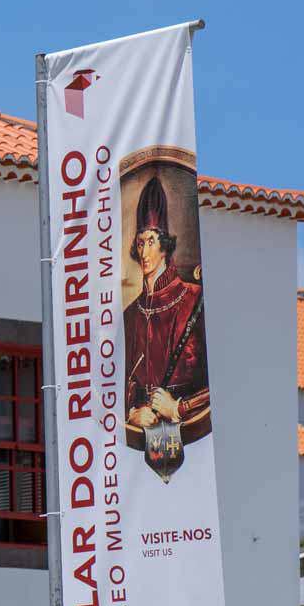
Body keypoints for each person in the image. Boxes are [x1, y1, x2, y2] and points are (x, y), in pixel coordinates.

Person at [124, 174, 207, 432]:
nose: (145, 252)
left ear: (164, 247)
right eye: (140, 243)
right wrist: (132, 413)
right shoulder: (130, 316)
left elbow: (225, 381)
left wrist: (179, 408)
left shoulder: (195, 300)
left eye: (151, 241)